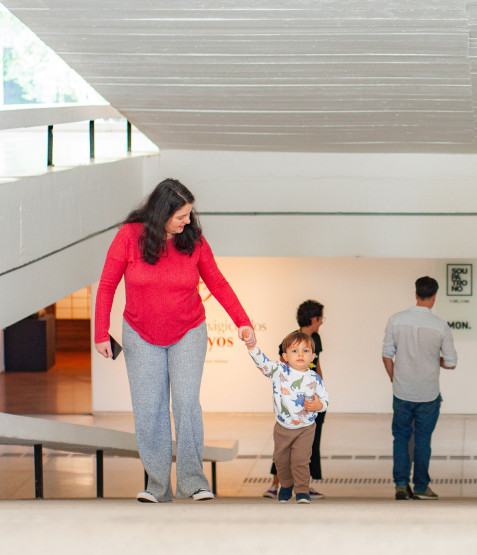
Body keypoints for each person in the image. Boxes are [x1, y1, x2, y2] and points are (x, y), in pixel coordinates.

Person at [94, 178, 255, 503]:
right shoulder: (129, 236)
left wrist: (243, 321)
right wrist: (100, 332)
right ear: (161, 213)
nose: (187, 220)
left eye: (189, 214)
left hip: (188, 331)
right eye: (181, 216)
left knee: (186, 403)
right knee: (149, 409)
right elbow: (107, 284)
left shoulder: (193, 240)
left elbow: (218, 283)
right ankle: (157, 486)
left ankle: (193, 483)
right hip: (140, 334)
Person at [382, 276, 458, 500]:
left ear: (416, 294)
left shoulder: (396, 320)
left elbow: (386, 355)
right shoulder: (440, 326)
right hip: (428, 394)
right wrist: (436, 360)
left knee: (401, 438)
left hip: (402, 391)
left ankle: (400, 485)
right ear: (434, 297)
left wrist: (394, 378)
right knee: (423, 441)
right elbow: (451, 363)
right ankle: (421, 487)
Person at [247, 330, 329, 504]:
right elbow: (263, 363)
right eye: (294, 351)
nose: (300, 355)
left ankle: (302, 490)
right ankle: (285, 484)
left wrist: (319, 405)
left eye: (305, 351)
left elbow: (325, 399)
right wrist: (252, 347)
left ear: (313, 356)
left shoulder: (314, 378)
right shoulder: (279, 370)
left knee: (301, 460)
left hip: (306, 428)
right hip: (283, 427)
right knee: (281, 461)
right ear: (285, 356)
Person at [264, 300, 327, 500]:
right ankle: (276, 484)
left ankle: (304, 486)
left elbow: (317, 366)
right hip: (291, 403)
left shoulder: (315, 339)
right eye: (321, 318)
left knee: (307, 448)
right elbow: (281, 371)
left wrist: (320, 392)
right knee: (283, 449)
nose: (322, 322)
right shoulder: (291, 340)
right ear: (314, 319)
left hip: (312, 400)